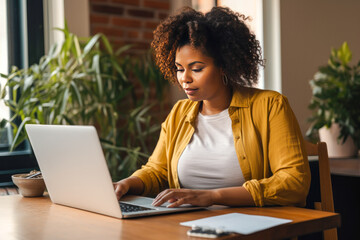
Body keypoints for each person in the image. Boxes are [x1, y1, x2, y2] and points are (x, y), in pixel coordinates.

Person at [114, 6, 311, 208]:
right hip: (183, 224)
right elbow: (158, 170)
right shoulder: (179, 113)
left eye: (197, 68)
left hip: (249, 225)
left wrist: (213, 196)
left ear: (224, 65)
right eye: (179, 69)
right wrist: (127, 183)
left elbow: (294, 181)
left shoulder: (270, 106)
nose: (185, 79)